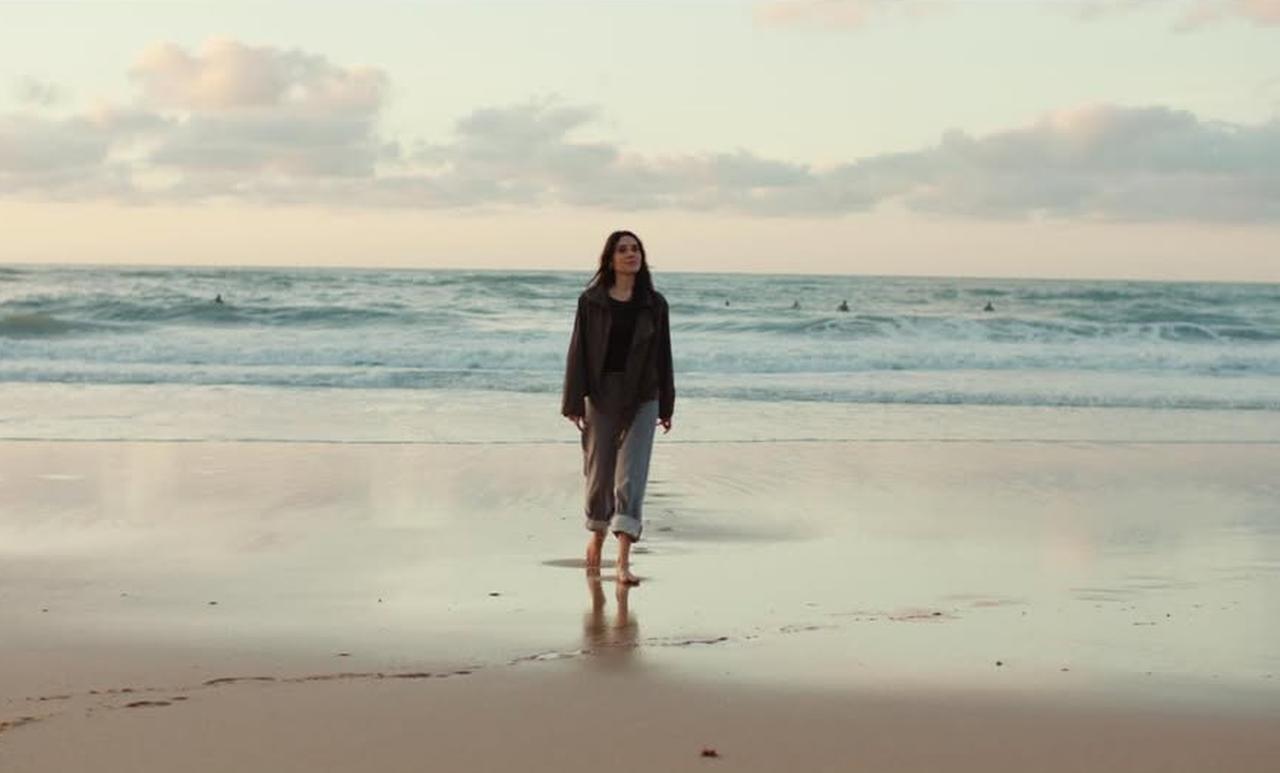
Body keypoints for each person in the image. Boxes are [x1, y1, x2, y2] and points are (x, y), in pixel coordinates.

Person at [561, 230, 675, 586]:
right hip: (602, 391)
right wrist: (573, 399)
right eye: (623, 250)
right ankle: (596, 535)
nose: (631, 254)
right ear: (610, 259)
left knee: (632, 476)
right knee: (599, 472)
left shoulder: (655, 304)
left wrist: (666, 404)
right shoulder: (591, 301)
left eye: (636, 249)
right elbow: (578, 350)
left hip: (643, 393)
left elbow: (663, 357)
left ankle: (623, 562)